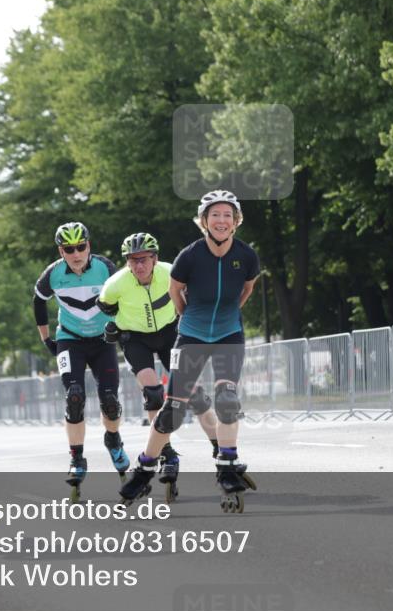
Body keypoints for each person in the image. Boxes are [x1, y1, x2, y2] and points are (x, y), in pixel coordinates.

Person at [119, 191, 260, 512]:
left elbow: (247, 288)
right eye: (215, 215)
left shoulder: (247, 255)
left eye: (227, 215)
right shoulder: (190, 255)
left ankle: (226, 464)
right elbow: (174, 292)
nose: (221, 220)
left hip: (229, 334)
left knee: (227, 398)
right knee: (171, 411)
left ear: (235, 221)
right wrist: (192, 319)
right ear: (204, 221)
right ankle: (144, 468)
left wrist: (228, 316)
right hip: (192, 335)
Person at [97, 232, 220, 502]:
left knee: (195, 394)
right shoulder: (115, 283)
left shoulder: (171, 272)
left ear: (155, 258)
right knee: (153, 392)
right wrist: (114, 325)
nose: (138, 266)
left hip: (169, 333)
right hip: (135, 339)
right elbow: (104, 305)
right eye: (132, 261)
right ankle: (166, 452)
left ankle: (219, 449)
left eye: (143, 259)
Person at [34, 221, 124, 500]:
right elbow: (38, 301)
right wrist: (46, 338)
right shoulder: (53, 274)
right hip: (70, 339)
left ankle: (113, 439)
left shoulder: (105, 267)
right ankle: (77, 458)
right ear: (61, 251)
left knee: (110, 400)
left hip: (102, 341)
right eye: (69, 249)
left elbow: (123, 297)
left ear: (89, 246)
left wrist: (120, 328)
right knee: (74, 397)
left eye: (81, 247)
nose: (76, 254)